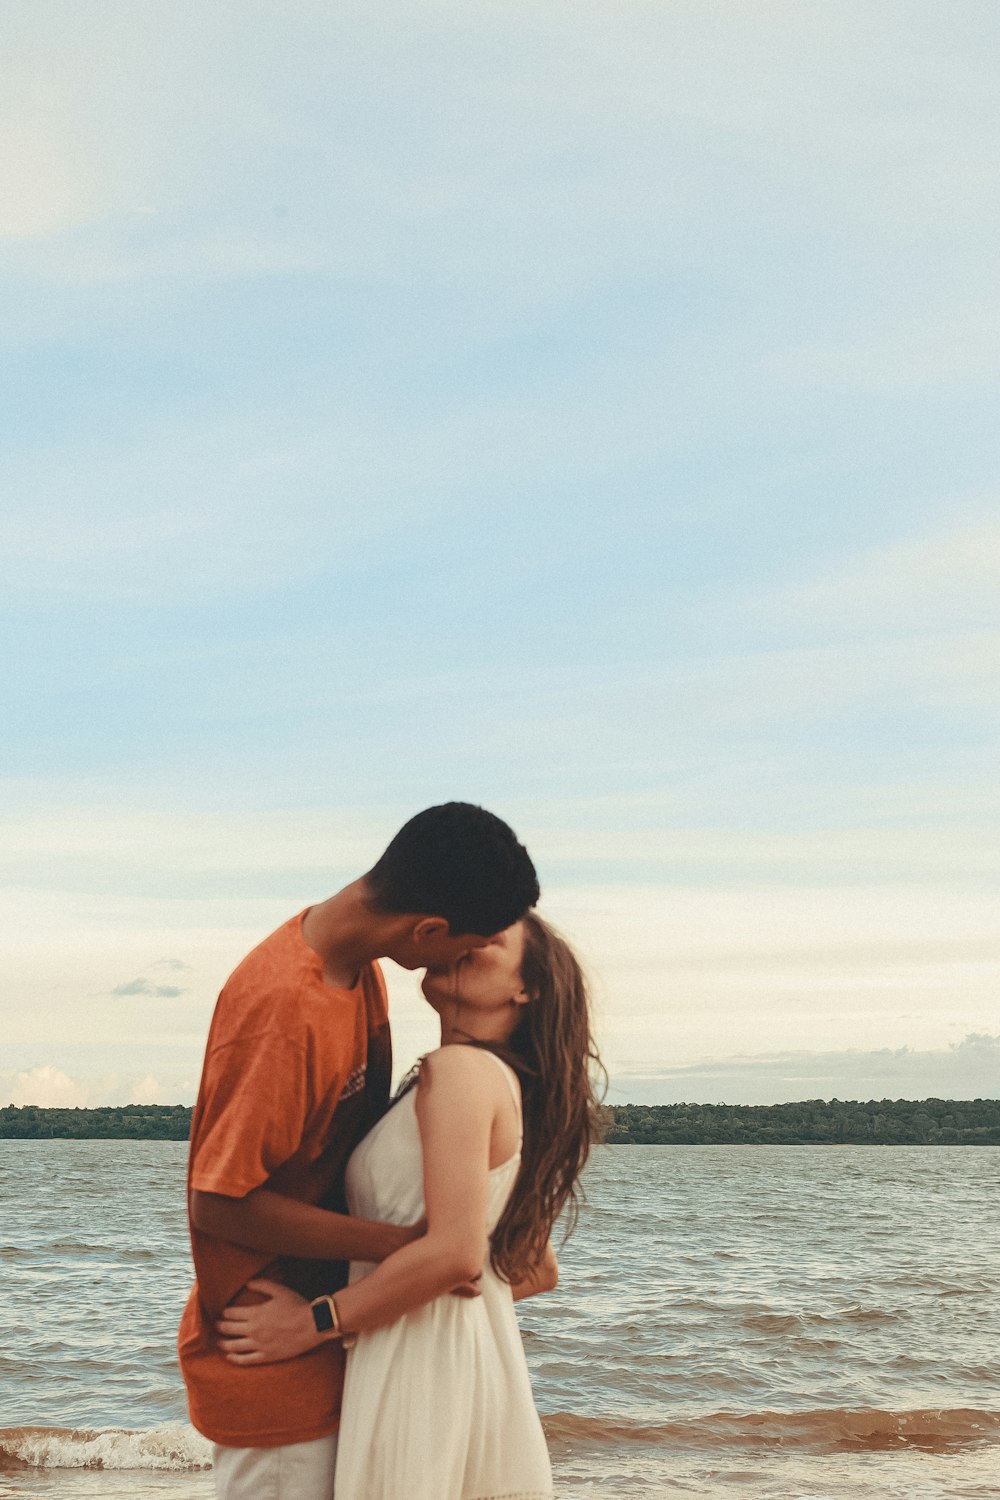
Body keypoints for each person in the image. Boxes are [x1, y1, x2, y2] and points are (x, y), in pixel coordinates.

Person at [178, 802, 540, 1500]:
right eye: (464, 946)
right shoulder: (284, 1008)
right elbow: (218, 1202)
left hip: (328, 1347)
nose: (458, 961)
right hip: (273, 1350)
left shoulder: (360, 971)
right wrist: (406, 1245)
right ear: (428, 929)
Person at [215, 910, 605, 1500]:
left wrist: (314, 1321)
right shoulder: (493, 1083)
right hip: (442, 1351)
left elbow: (454, 1254)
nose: (467, 940)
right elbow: (531, 1268)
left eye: (489, 938)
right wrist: (423, 1293)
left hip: (421, 1366)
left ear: (527, 988)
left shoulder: (460, 1072)